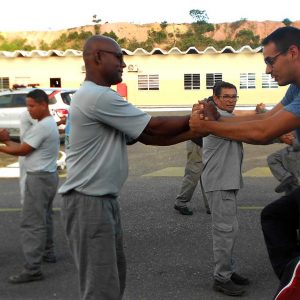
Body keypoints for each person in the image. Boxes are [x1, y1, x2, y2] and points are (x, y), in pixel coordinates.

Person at [58, 35, 209, 300]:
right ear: (97, 57)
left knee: (113, 279)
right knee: (101, 288)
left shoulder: (98, 97)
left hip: (98, 201)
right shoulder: (97, 96)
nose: (123, 64)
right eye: (118, 57)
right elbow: (153, 126)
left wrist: (194, 132)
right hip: (89, 203)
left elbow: (147, 137)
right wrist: (193, 118)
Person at [189, 26, 300, 300]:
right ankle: (290, 278)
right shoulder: (295, 89)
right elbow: (263, 121)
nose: (267, 71)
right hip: (219, 182)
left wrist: (211, 125)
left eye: (270, 61)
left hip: (226, 180)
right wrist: (214, 122)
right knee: (273, 218)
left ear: (293, 53)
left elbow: (262, 132)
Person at [0, 89, 60, 283]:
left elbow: (22, 150)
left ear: (43, 104)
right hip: (48, 176)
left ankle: (32, 268)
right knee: (45, 216)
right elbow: (24, 147)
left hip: (38, 178)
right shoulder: (46, 124)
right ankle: (48, 253)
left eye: (32, 106)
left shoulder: (43, 126)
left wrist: (2, 143)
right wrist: (6, 141)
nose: (29, 110)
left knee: (32, 223)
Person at [201, 81, 249, 296]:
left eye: (234, 96)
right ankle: (221, 278)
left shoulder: (219, 117)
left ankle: (228, 271)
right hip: (220, 183)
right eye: (227, 97)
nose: (231, 100)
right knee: (224, 232)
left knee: (230, 230)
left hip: (226, 182)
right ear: (216, 99)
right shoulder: (218, 119)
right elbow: (252, 129)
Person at [174, 139, 211, 215]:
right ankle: (181, 201)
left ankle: (211, 205)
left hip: (205, 140)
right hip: (197, 141)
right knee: (193, 173)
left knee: (208, 174)